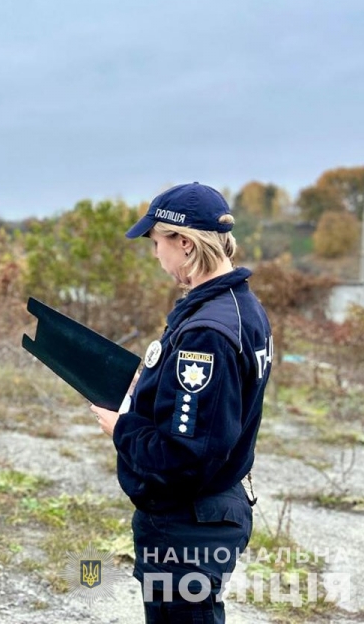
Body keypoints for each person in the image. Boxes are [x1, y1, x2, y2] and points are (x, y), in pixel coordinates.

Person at [90, 182, 273, 624]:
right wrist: (152, 384)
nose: (156, 255)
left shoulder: (207, 331)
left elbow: (184, 455)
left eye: (157, 243)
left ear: (186, 244)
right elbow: (218, 408)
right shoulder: (242, 307)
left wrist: (122, 428)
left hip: (189, 524)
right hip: (212, 508)